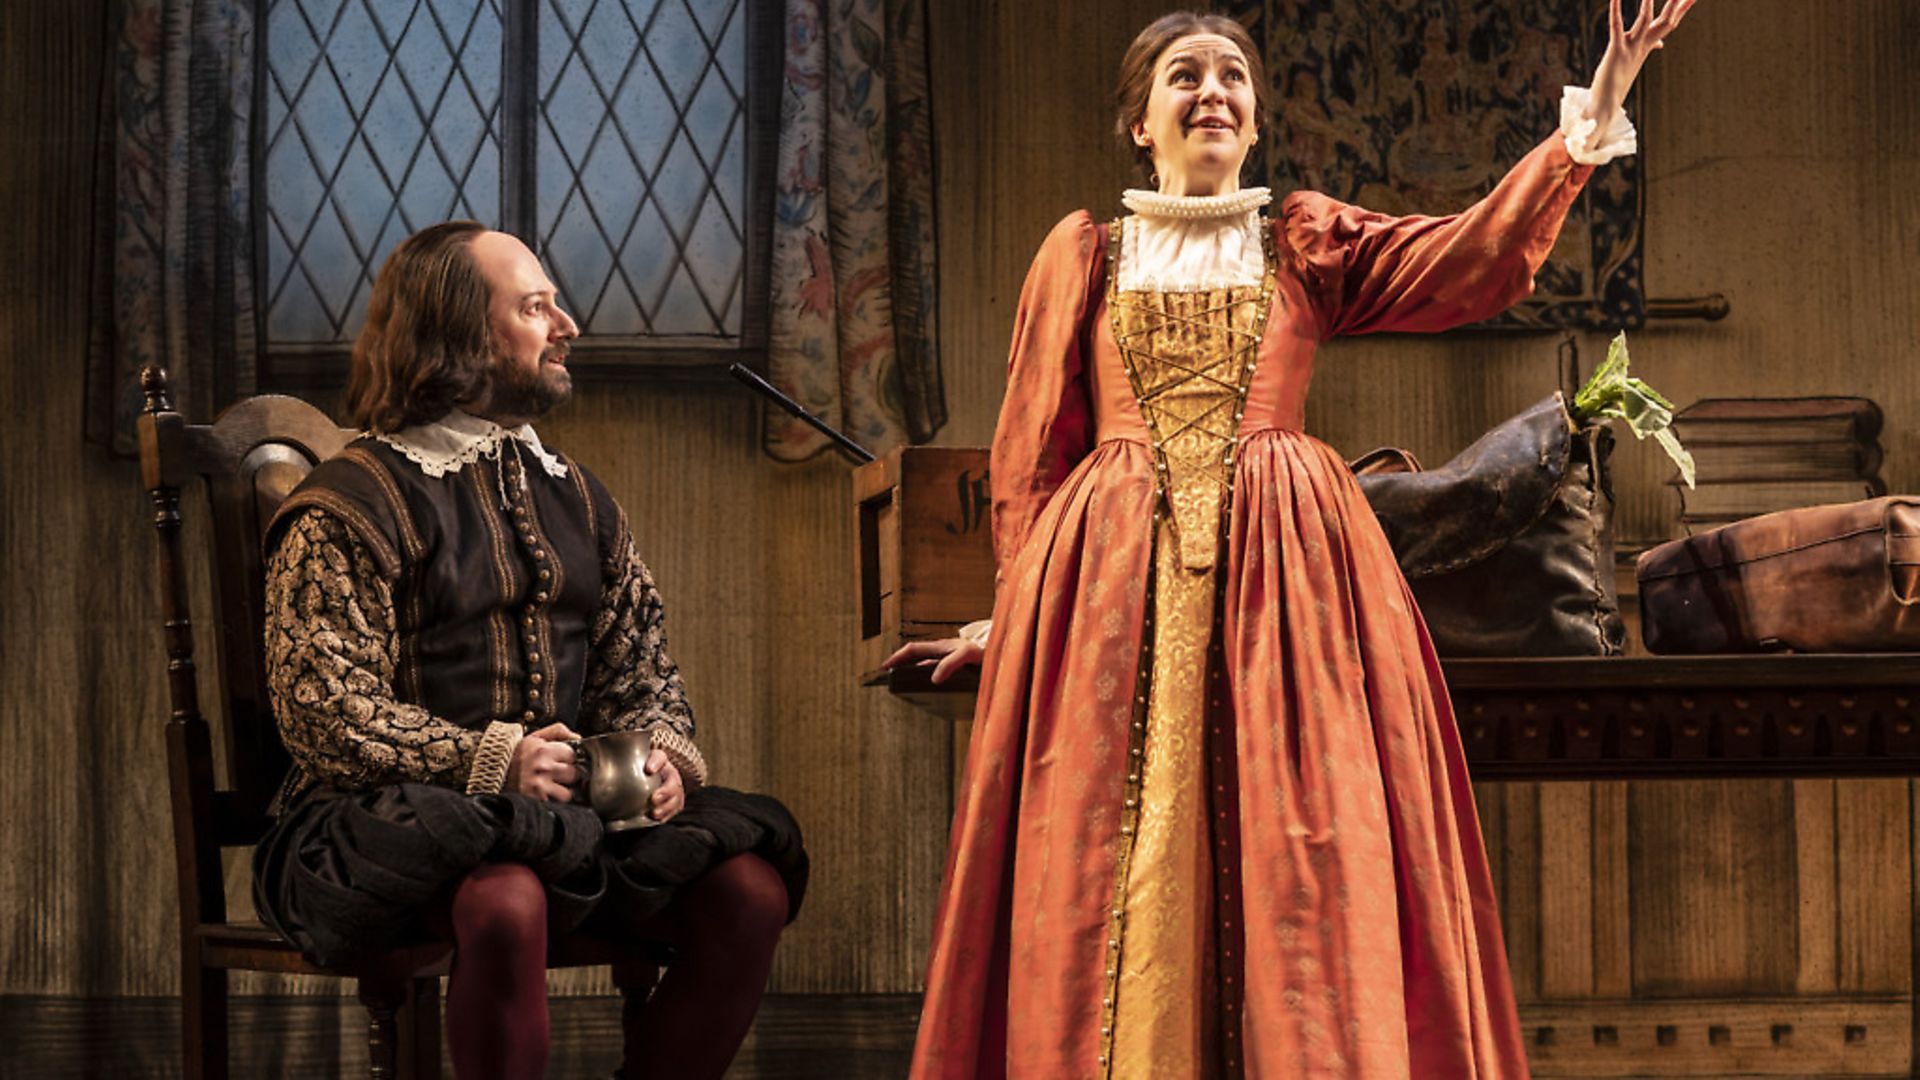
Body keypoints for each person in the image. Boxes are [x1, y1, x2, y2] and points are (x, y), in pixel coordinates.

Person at [901, 3, 1692, 1075]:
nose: (1212, 92)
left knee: (1300, 849)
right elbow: (1036, 446)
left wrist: (1596, 108)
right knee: (1108, 861)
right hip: (1110, 589)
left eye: (1232, 76)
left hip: (1290, 588)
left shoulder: (1303, 244)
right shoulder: (1084, 254)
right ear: (1142, 121)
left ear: (1258, 118)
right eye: (1184, 76)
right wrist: (1017, 607)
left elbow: (1467, 261)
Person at [252, 222, 808, 1080]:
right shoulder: (347, 504)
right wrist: (492, 761)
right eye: (537, 306)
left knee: (749, 890)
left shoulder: (579, 497)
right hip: (387, 823)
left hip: (565, 826)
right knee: (506, 900)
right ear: (462, 334)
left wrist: (658, 758)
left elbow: (641, 673)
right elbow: (322, 711)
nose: (568, 326)